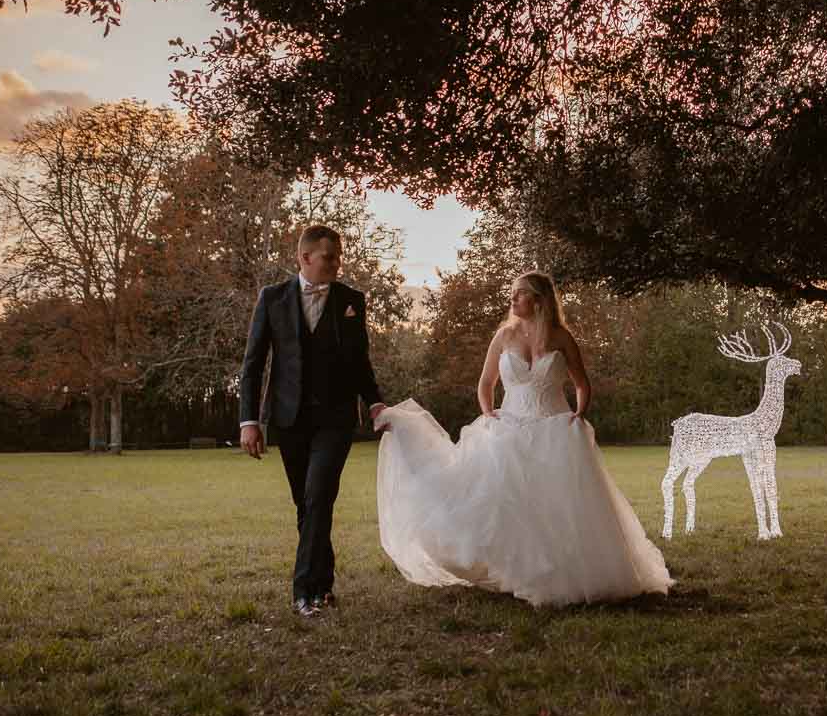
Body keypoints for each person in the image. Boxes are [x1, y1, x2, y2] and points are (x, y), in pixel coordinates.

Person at [375, 271, 672, 606]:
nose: (513, 299)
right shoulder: (504, 336)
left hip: (555, 430)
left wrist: (579, 412)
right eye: (513, 294)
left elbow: (581, 383)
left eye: (519, 294)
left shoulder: (561, 337)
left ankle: (561, 572)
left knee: (559, 506)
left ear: (539, 300)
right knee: (506, 504)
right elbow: (485, 384)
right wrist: (489, 414)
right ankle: (518, 570)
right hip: (509, 429)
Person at [238, 225, 387, 617]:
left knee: (319, 496)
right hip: (289, 419)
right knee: (306, 507)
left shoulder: (351, 300)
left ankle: (304, 592)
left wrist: (375, 404)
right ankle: (323, 584)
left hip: (335, 420)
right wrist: (248, 421)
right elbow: (253, 364)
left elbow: (360, 362)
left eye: (338, 257)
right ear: (305, 258)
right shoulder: (272, 299)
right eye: (329, 257)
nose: (337, 264)